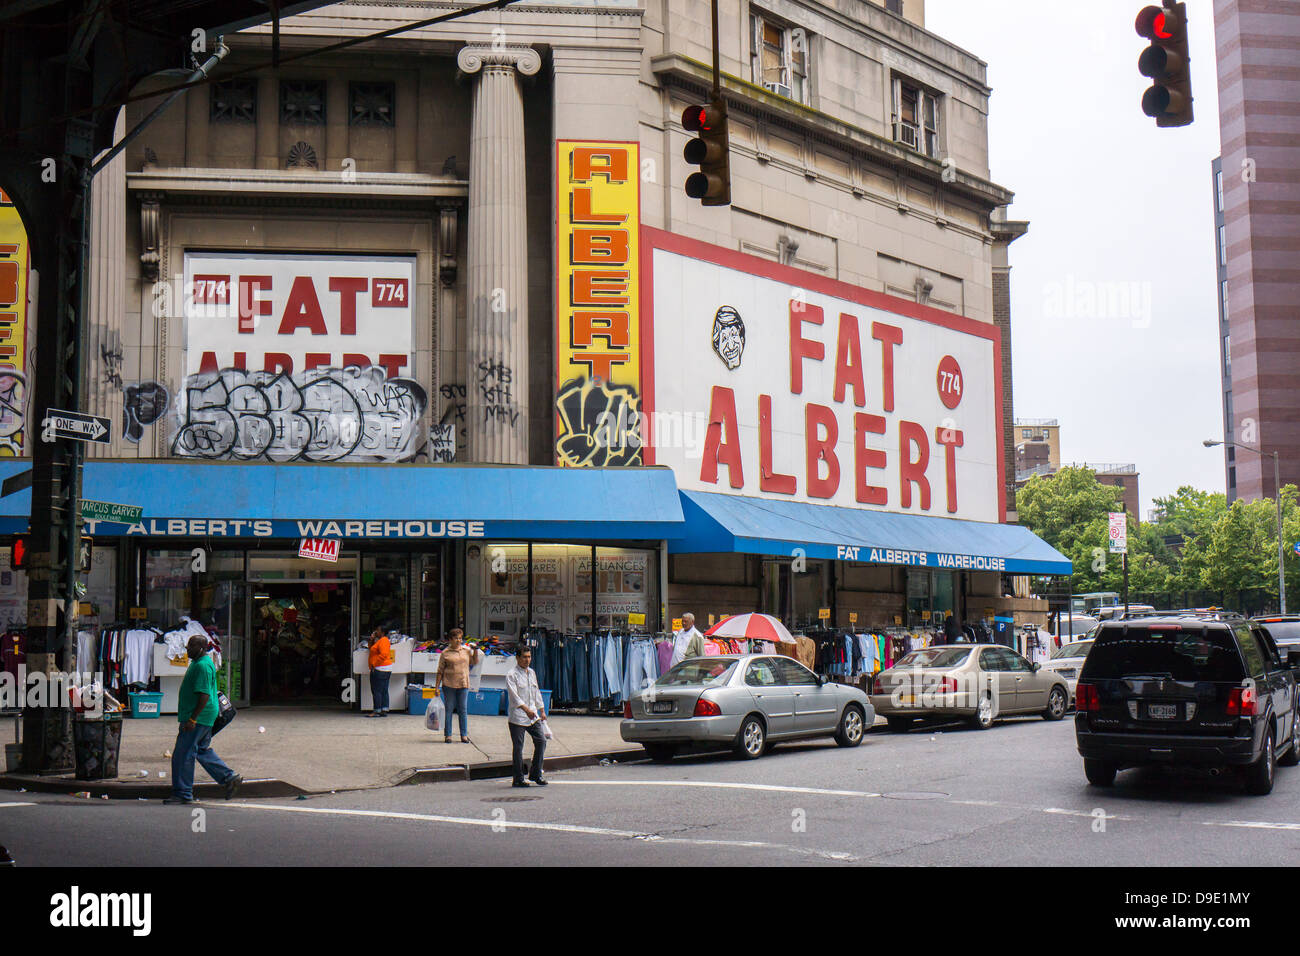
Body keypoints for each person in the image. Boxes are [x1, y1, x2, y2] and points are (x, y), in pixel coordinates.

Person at [164, 635, 241, 805]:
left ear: (201, 648)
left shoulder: (202, 666)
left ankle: (183, 793)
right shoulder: (200, 664)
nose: (187, 649)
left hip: (199, 717)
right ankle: (229, 777)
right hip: (203, 716)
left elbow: (204, 695)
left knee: (183, 754)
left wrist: (192, 719)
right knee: (200, 750)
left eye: (191, 646)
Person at [505, 645, 547, 788]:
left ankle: (536, 773)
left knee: (541, 741)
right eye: (524, 657)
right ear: (517, 658)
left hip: (533, 715)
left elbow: (536, 692)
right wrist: (525, 709)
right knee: (518, 747)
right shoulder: (512, 675)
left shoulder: (532, 673)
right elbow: (514, 697)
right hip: (518, 716)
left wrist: (541, 710)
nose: (527, 660)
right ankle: (518, 778)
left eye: (529, 657)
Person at [436, 627, 479, 744]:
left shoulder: (466, 650)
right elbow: (440, 671)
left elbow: (474, 662)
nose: (458, 641)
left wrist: (475, 651)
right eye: (456, 638)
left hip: (463, 684)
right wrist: (436, 687)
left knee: (463, 710)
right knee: (449, 709)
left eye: (460, 638)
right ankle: (448, 735)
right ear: (450, 639)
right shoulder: (445, 653)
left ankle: (464, 735)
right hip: (449, 684)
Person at [367, 625, 394, 717]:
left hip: (380, 668)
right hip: (384, 668)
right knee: (383, 690)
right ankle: (383, 709)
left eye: (378, 630)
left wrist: (374, 664)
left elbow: (383, 655)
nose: (376, 631)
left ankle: (377, 710)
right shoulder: (380, 641)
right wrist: (371, 639)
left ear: (382, 632)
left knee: (377, 690)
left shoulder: (383, 641)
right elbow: (371, 648)